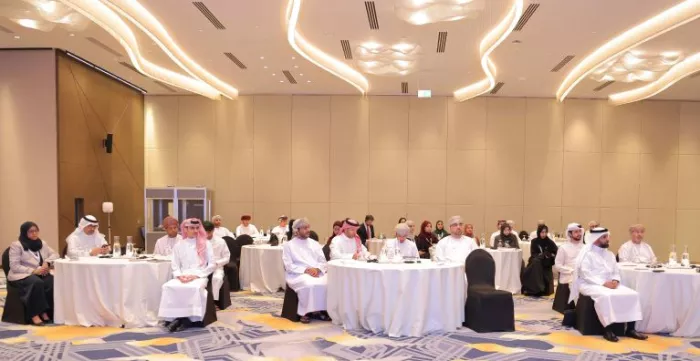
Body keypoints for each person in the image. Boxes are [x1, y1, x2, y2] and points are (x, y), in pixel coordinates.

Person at [570, 227, 647, 342]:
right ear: (596, 239)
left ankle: (630, 329)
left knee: (633, 294)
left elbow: (616, 271)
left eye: (607, 237)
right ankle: (607, 329)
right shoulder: (587, 254)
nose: (608, 239)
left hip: (609, 284)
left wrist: (615, 280)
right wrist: (603, 283)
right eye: (604, 237)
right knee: (606, 296)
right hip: (589, 284)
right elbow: (585, 274)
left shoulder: (609, 254)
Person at [158, 218, 215, 332]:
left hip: (199, 276)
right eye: (192, 228)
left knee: (193, 288)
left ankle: (188, 320)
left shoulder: (206, 244)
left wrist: (196, 276)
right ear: (185, 229)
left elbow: (212, 264)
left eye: (197, 228)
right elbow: (175, 265)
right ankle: (174, 318)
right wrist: (179, 276)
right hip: (182, 276)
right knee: (169, 287)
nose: (195, 230)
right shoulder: (179, 244)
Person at [7, 222, 59, 326]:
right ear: (24, 232)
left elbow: (55, 254)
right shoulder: (17, 245)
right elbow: (14, 266)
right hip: (22, 274)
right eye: (31, 231)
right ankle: (35, 314)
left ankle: (46, 311)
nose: (34, 233)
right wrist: (33, 271)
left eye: (36, 231)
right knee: (37, 283)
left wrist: (47, 262)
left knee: (51, 281)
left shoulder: (42, 243)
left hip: (40, 272)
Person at [282, 218, 330, 324]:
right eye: (304, 228)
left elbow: (323, 261)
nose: (308, 230)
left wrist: (317, 269)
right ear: (296, 230)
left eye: (308, 227)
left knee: (328, 282)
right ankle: (305, 312)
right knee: (309, 283)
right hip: (297, 274)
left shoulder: (314, 243)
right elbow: (288, 265)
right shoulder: (288, 245)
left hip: (316, 272)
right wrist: (306, 270)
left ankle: (323, 310)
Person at [553, 223, 585, 312]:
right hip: (568, 275)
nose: (579, 234)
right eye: (576, 232)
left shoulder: (585, 248)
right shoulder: (563, 248)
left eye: (580, 231)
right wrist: (572, 271)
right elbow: (558, 265)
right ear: (570, 234)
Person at [522, 224, 558, 296]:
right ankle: (535, 288)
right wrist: (540, 256)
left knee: (537, 263)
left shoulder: (550, 242)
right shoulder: (534, 241)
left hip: (545, 262)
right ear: (539, 232)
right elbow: (533, 253)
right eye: (542, 232)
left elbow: (555, 252)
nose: (544, 234)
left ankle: (539, 288)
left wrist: (547, 255)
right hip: (536, 260)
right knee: (535, 263)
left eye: (545, 232)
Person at [203, 221, 231, 303]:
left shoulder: (221, 241)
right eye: (205, 232)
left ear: (213, 231)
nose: (207, 234)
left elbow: (227, 257)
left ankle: (213, 301)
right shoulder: (198, 241)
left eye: (209, 232)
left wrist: (217, 263)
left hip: (217, 267)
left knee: (217, 278)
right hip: (202, 267)